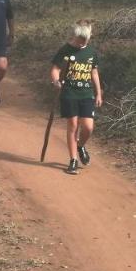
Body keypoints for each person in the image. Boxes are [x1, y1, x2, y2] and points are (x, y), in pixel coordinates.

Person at [49, 19, 102, 175]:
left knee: (88, 127)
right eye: (79, 39)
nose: (82, 42)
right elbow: (55, 69)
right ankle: (73, 160)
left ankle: (80, 145)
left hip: (87, 93)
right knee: (72, 125)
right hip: (69, 92)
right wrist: (56, 81)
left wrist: (99, 93)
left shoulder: (91, 52)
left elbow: (94, 72)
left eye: (85, 39)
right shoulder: (65, 50)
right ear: (75, 35)